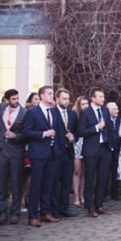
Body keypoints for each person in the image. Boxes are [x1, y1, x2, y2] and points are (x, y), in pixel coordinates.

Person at [22, 86, 65, 226]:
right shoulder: (33, 112)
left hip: (53, 153)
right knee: (36, 185)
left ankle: (46, 213)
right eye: (49, 94)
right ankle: (33, 216)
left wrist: (59, 150)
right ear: (41, 96)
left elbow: (59, 131)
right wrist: (43, 134)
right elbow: (26, 132)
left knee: (49, 185)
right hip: (38, 154)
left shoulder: (54, 111)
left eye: (52, 93)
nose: (52, 96)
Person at [78, 88, 113, 218]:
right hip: (91, 149)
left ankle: (99, 205)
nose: (102, 99)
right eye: (100, 97)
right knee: (90, 178)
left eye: (103, 96)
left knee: (103, 178)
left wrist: (110, 144)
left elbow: (109, 128)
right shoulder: (85, 112)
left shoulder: (105, 110)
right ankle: (90, 207)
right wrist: (96, 128)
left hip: (104, 148)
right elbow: (81, 131)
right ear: (92, 98)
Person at [0, 89, 26, 225]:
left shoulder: (24, 113)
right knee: (1, 183)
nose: (16, 101)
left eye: (17, 98)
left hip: (16, 151)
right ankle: (2, 213)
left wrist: (16, 136)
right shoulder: (1, 108)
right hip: (1, 150)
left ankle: (15, 212)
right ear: (6, 100)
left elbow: (26, 133)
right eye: (13, 99)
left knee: (16, 183)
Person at [54, 89, 78, 218]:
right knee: (54, 181)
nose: (67, 101)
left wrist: (73, 137)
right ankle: (54, 209)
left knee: (66, 181)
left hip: (68, 152)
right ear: (57, 99)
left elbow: (77, 131)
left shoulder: (72, 114)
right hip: (56, 152)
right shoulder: (52, 112)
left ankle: (64, 208)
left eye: (68, 99)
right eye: (64, 99)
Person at [72, 96, 89, 207]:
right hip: (77, 143)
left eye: (87, 103)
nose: (85, 106)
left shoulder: (90, 115)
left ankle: (82, 194)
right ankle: (76, 196)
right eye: (83, 104)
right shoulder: (75, 116)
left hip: (87, 143)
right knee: (77, 171)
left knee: (84, 171)